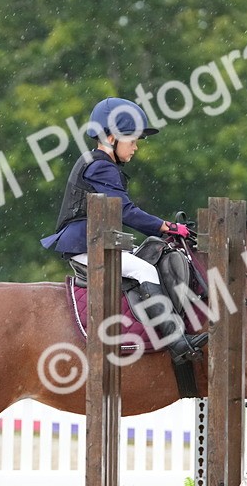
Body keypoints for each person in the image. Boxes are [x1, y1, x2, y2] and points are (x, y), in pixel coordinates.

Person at [40, 97, 198, 364]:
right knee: (144, 270)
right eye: (133, 140)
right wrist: (168, 226)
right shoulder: (100, 165)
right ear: (112, 136)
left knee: (148, 257)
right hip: (85, 246)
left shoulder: (100, 162)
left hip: (97, 242)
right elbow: (127, 212)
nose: (136, 147)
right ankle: (176, 341)